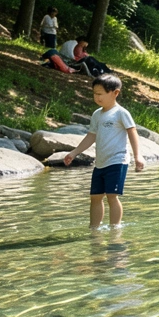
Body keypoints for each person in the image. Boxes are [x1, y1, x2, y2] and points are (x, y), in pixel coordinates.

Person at [61, 74, 145, 229]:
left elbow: (132, 132)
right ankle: (94, 229)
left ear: (115, 93)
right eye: (94, 93)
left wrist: (138, 155)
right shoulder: (97, 114)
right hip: (100, 163)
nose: (97, 97)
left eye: (100, 94)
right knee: (95, 197)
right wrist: (74, 152)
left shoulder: (121, 113)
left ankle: (115, 229)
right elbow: (91, 136)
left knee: (112, 197)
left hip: (117, 160)